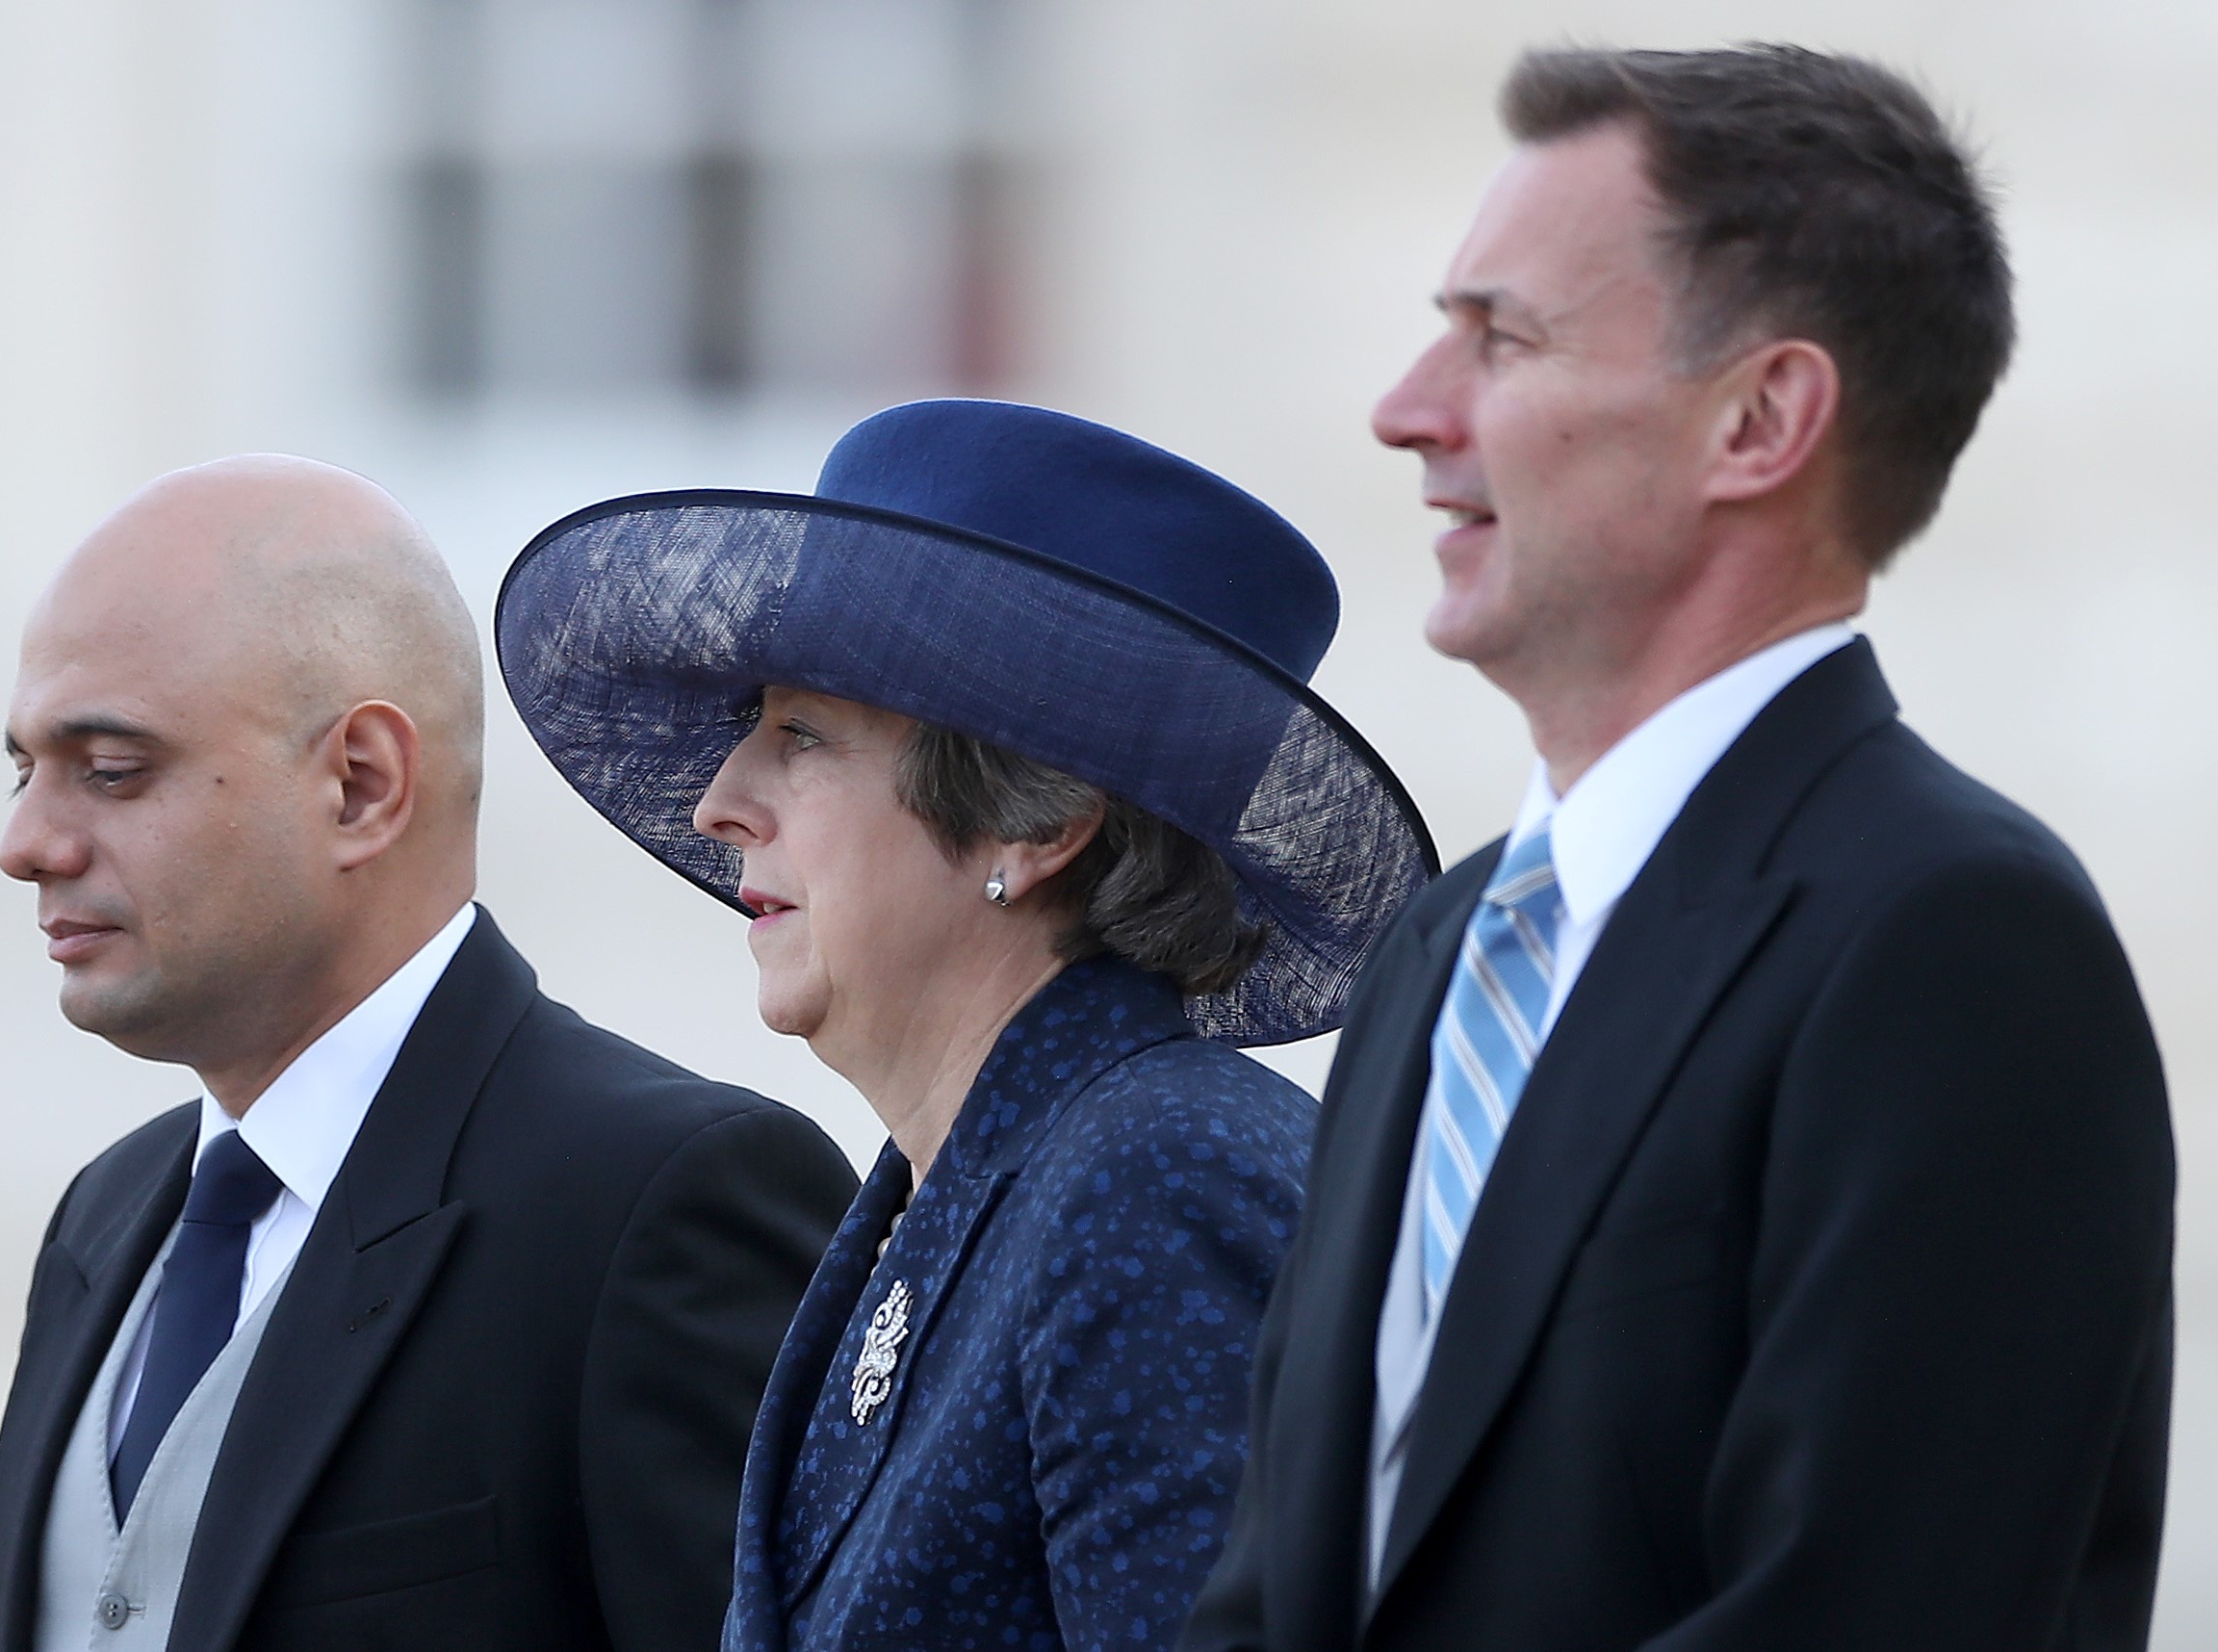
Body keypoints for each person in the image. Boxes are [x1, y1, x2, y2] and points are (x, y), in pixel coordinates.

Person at [1181, 43, 2175, 1652]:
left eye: (1494, 337)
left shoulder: (1949, 941)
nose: (1402, 412)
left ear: (1758, 418)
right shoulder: (1442, 950)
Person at [493, 400, 1436, 1652]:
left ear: (1031, 824)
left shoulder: (1159, 1173)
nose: (720, 803)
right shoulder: (951, 1197)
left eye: (803, 738)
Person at [0, 456, 858, 1652]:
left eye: (113, 770)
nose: (24, 843)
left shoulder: (659, 1205)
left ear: (362, 784)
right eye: (24, 770)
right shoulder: (104, 1219)